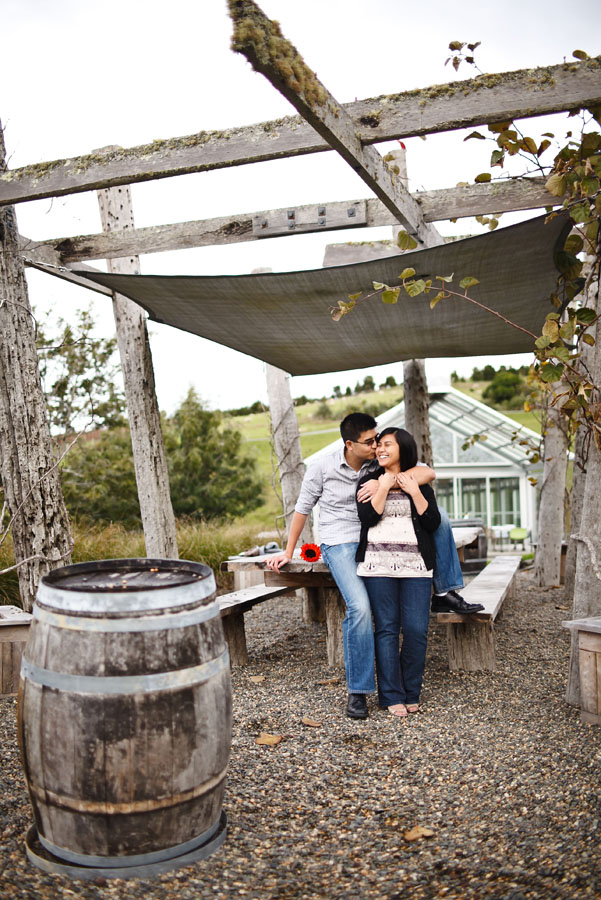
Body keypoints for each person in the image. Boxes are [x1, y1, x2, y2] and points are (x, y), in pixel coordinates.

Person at [267, 412, 481, 720]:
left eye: (379, 440)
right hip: (340, 541)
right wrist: (289, 551)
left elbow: (426, 473)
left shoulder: (374, 463)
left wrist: (388, 480)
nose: (376, 446)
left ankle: (445, 589)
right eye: (370, 442)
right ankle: (359, 691)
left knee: (441, 518)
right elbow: (302, 510)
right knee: (362, 609)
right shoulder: (322, 467)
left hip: (374, 537)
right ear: (350, 444)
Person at [356, 427, 440, 717]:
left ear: (403, 448)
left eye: (387, 445)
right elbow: (368, 516)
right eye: (378, 445)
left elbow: (432, 522)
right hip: (377, 566)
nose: (380, 449)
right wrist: (383, 485)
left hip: (416, 567)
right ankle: (391, 695)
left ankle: (411, 690)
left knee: (417, 630)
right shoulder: (368, 482)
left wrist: (413, 490)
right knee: (388, 629)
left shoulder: (419, 482)